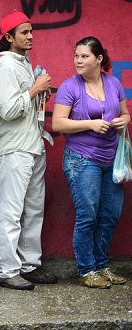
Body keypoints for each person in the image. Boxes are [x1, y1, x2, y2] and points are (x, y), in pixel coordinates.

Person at [52, 36, 130, 289]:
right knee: (88, 215)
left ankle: (101, 265)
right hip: (82, 160)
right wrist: (90, 124)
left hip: (111, 159)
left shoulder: (114, 83)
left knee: (109, 215)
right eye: (76, 56)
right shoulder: (69, 87)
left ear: (99, 59)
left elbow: (125, 112)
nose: (78, 61)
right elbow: (58, 123)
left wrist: (125, 121)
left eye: (84, 56)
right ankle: (87, 269)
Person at [0, 11, 57, 290]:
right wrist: (34, 89)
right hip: (15, 147)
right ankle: (8, 270)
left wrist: (40, 92)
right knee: (10, 210)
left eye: (31, 31)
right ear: (9, 37)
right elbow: (6, 111)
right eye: (24, 33)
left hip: (33, 145)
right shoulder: (6, 66)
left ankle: (29, 265)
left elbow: (23, 105)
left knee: (33, 209)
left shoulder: (24, 63)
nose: (30, 37)